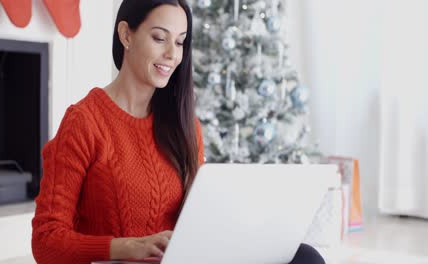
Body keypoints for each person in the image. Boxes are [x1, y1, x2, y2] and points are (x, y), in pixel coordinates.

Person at [31, 1, 325, 263]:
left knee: (305, 257)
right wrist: (125, 247)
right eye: (159, 38)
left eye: (181, 42)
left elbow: (199, 216)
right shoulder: (84, 122)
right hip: (122, 262)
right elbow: (46, 242)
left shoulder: (182, 122)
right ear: (126, 35)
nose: (172, 54)